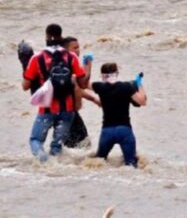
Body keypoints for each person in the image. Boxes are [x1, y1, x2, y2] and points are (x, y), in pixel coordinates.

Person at [21, 24, 91, 162]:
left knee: (36, 140)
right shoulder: (71, 57)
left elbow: (25, 86)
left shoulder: (37, 58)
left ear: (46, 36)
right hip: (68, 110)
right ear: (61, 36)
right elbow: (83, 84)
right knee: (57, 146)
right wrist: (88, 67)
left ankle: (44, 163)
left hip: (46, 109)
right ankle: (55, 168)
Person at [91, 63, 147, 167]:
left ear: (102, 75)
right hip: (124, 130)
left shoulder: (99, 86)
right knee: (131, 164)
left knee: (98, 162)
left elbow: (83, 84)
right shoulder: (127, 87)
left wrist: (87, 65)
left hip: (107, 131)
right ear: (117, 73)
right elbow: (142, 101)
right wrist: (139, 84)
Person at [61, 36, 100, 148]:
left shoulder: (68, 64)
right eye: (75, 48)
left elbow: (80, 86)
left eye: (78, 47)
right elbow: (80, 85)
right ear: (66, 50)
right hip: (67, 111)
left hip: (66, 111)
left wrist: (97, 94)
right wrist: (88, 67)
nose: (78, 50)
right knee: (83, 142)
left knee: (72, 143)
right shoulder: (66, 66)